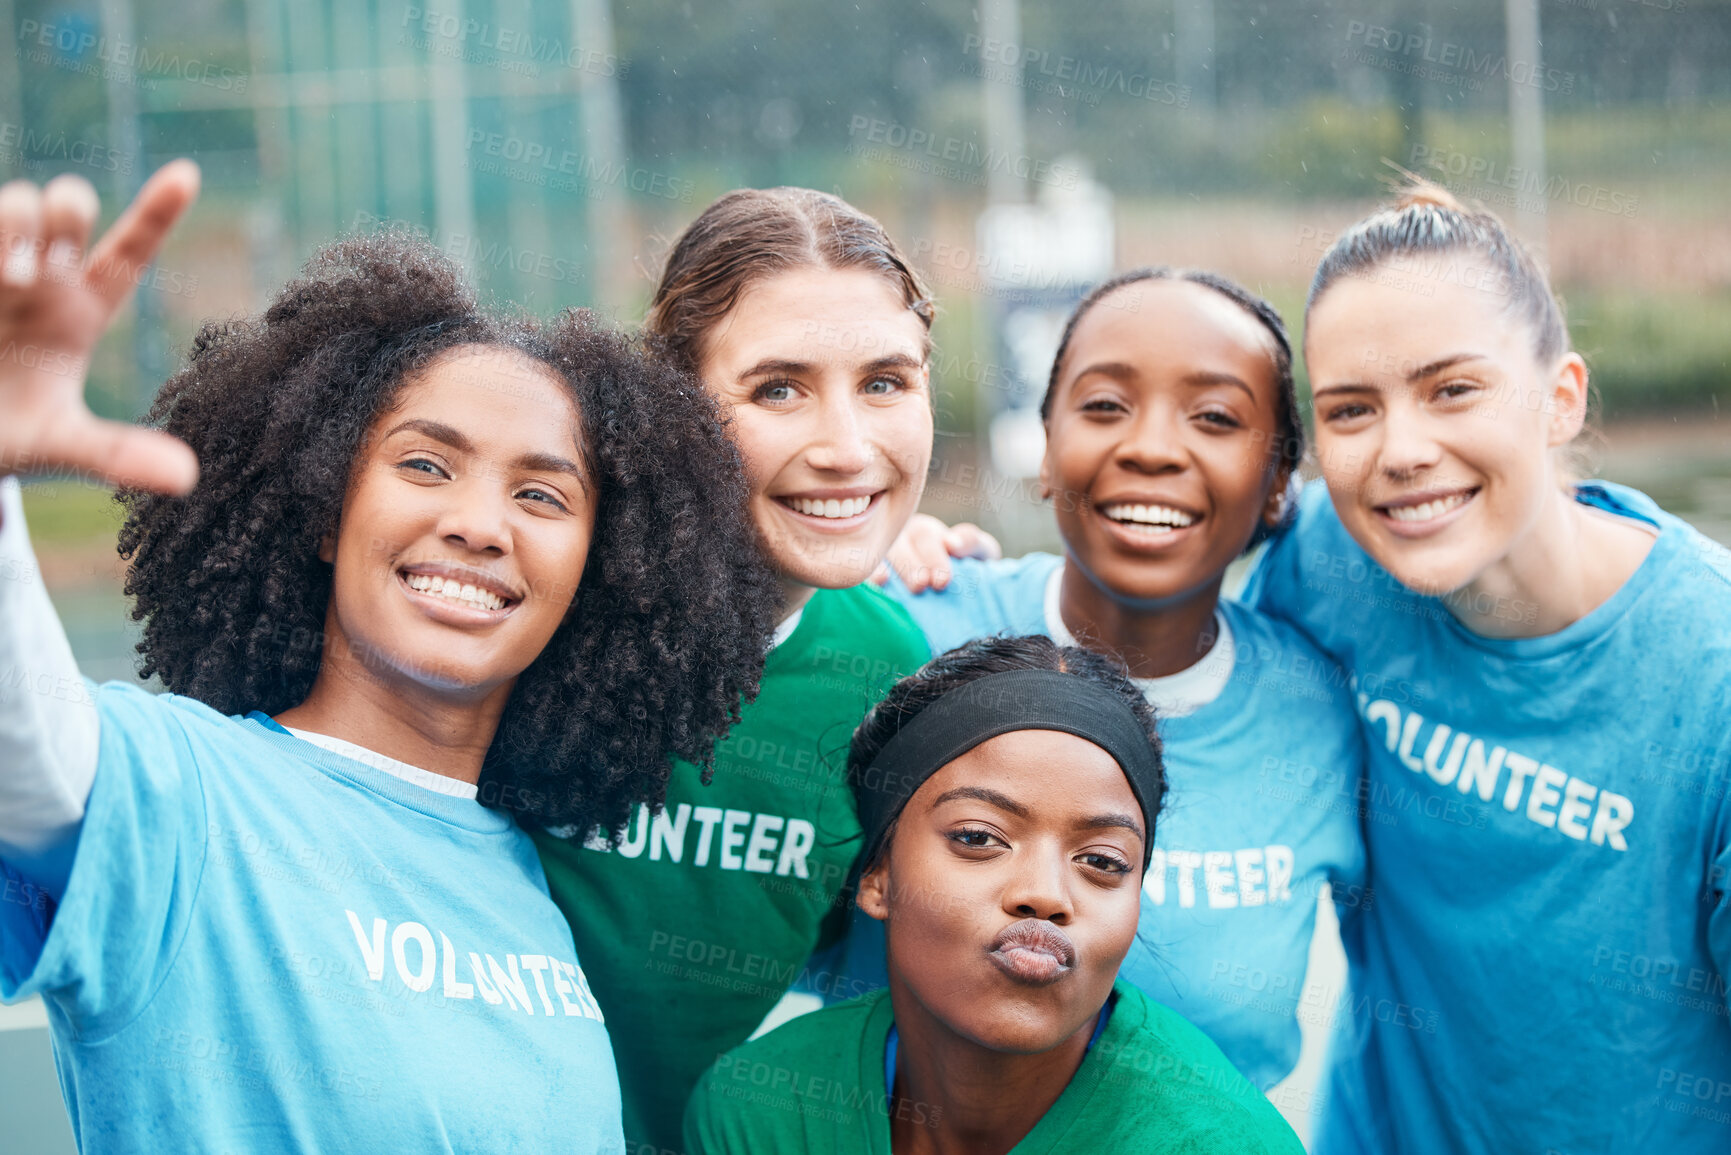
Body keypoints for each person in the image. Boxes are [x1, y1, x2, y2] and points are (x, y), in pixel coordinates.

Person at [0, 163, 780, 1152]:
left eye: (541, 496)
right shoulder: (185, 796)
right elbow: (23, 752)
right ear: (327, 510)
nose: (478, 525)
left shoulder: (534, 885)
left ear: (599, 572)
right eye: (424, 465)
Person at [1244, 182, 1731, 1153]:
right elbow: (1132, 627)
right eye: (1350, 410)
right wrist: (932, 560)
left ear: (1561, 399)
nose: (1402, 451)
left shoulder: (1709, 677)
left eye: (1452, 389)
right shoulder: (1324, 568)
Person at [851, 268, 1366, 1093]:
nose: (1151, 446)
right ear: (1047, 447)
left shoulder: (1326, 712)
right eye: (1103, 406)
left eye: (1216, 417)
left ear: (1277, 486)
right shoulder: (906, 629)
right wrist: (848, 555)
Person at [533, 187, 949, 1151]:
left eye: (885, 382)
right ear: (667, 404)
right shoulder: (539, 603)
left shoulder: (887, 671)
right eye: (776, 389)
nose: (846, 449)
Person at [684, 635, 1305, 1152]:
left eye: (1101, 860)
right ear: (878, 876)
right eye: (979, 837)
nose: (1044, 895)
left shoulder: (1222, 1141)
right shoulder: (762, 1111)